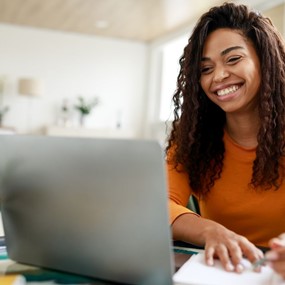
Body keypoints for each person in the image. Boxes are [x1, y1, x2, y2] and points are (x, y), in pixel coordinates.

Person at [166, 2, 285, 274]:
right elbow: (159, 206)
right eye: (205, 69)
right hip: (218, 271)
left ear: (264, 60)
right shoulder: (192, 140)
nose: (218, 76)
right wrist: (209, 231)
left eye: (233, 59)